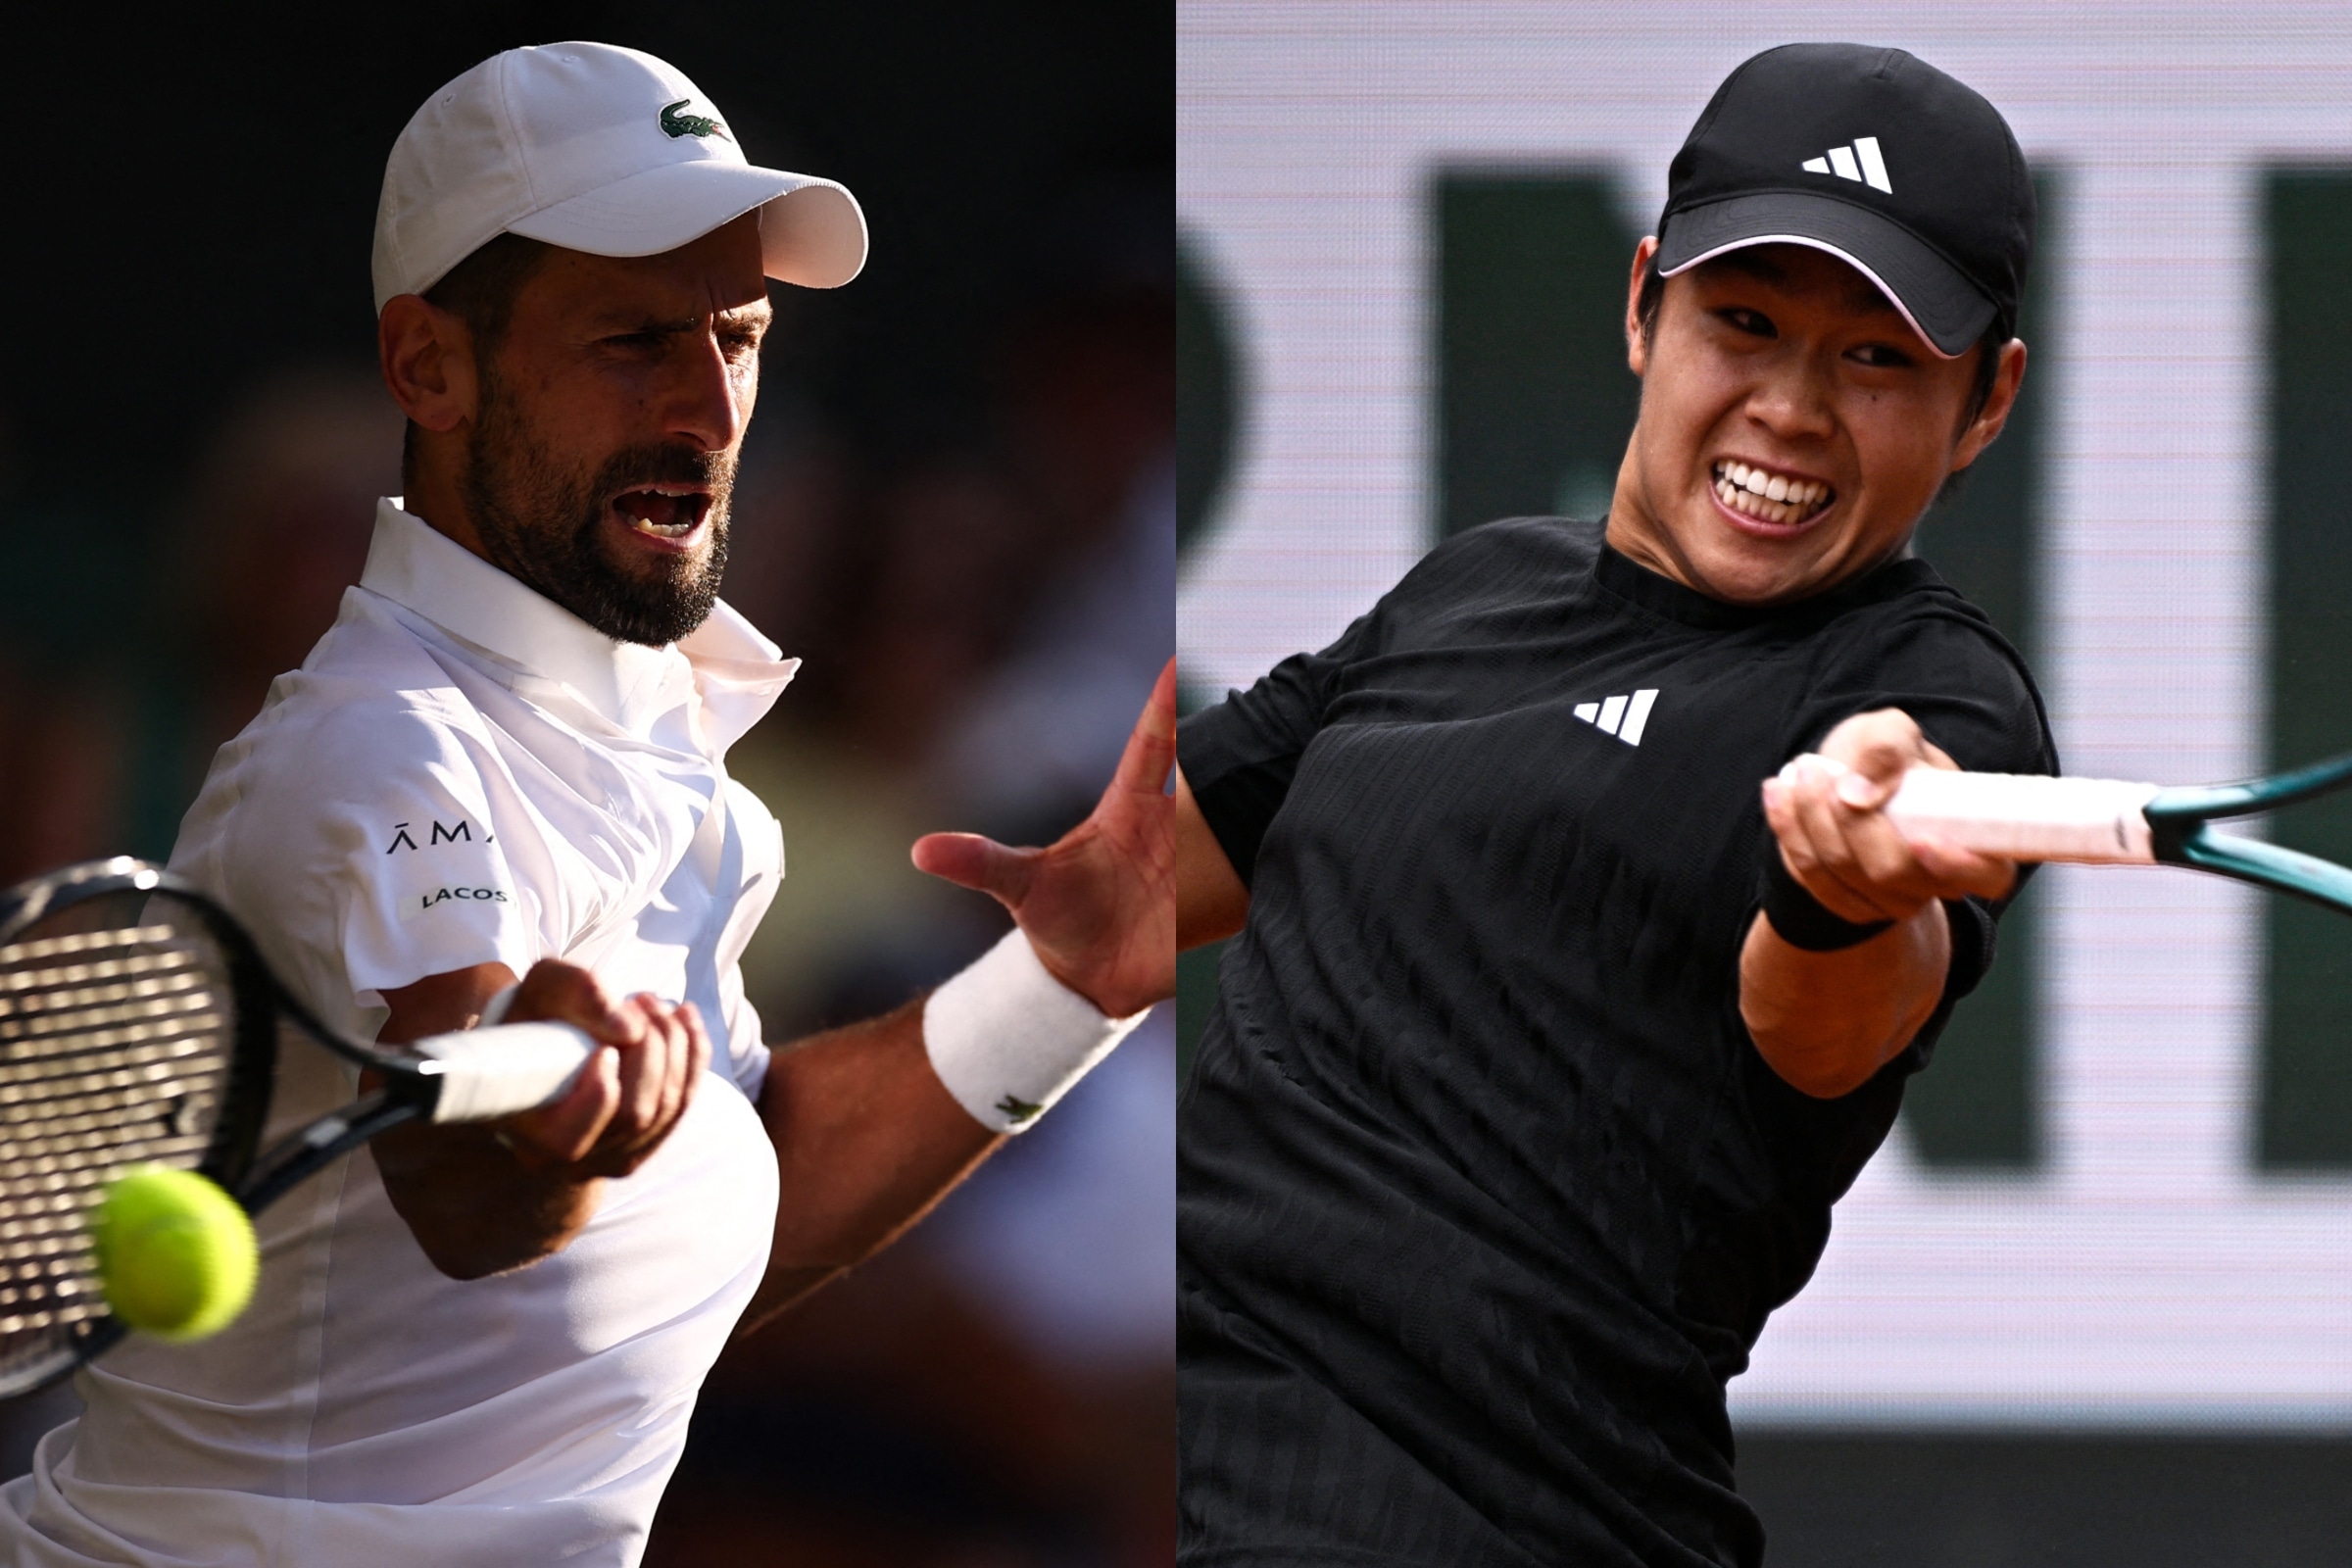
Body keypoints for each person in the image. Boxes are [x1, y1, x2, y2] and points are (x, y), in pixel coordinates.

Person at [0, 41, 1172, 1568]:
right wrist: (541, 1129)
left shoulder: (651, 741)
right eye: (630, 339)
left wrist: (1067, 985)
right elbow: (469, 1186)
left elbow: (736, 1198)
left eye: (738, 336)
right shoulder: (379, 753)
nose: (707, 400)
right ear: (429, 363)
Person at [1175, 43, 2053, 1567]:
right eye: (1747, 323)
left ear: (1986, 405)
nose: (1789, 407)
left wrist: (1842, 890)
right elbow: (1136, 880)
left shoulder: (1932, 694)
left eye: (1877, 360)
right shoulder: (1467, 592)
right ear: (1646, 301)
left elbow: (1836, 1024)